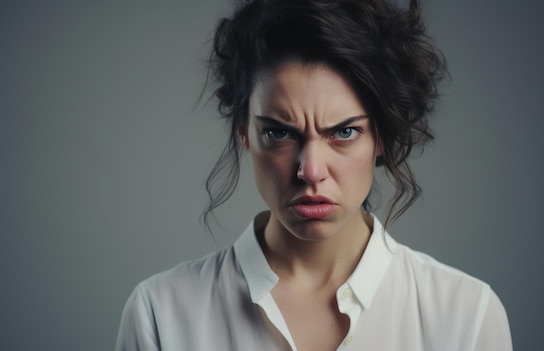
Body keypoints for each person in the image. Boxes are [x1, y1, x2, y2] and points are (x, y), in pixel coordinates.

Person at [116, 0, 513, 350]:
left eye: (344, 132)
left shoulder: (466, 315)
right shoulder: (160, 314)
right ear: (245, 135)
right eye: (279, 132)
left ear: (381, 138)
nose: (310, 171)